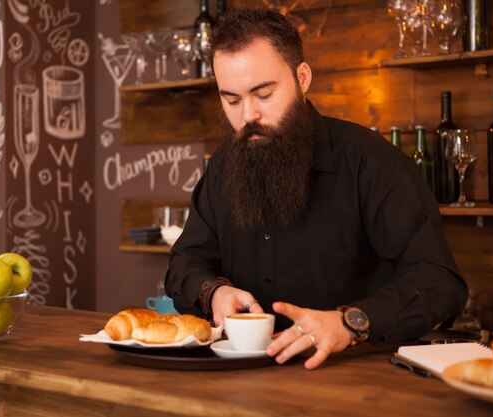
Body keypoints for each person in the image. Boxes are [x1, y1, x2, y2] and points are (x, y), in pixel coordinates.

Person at [165, 8, 467, 370]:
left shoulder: (371, 163)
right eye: (231, 100)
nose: (248, 116)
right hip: (242, 378)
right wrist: (214, 293)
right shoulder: (222, 166)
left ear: (302, 77)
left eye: (263, 94)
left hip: (356, 378)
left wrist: (350, 322)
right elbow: (184, 262)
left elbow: (440, 281)